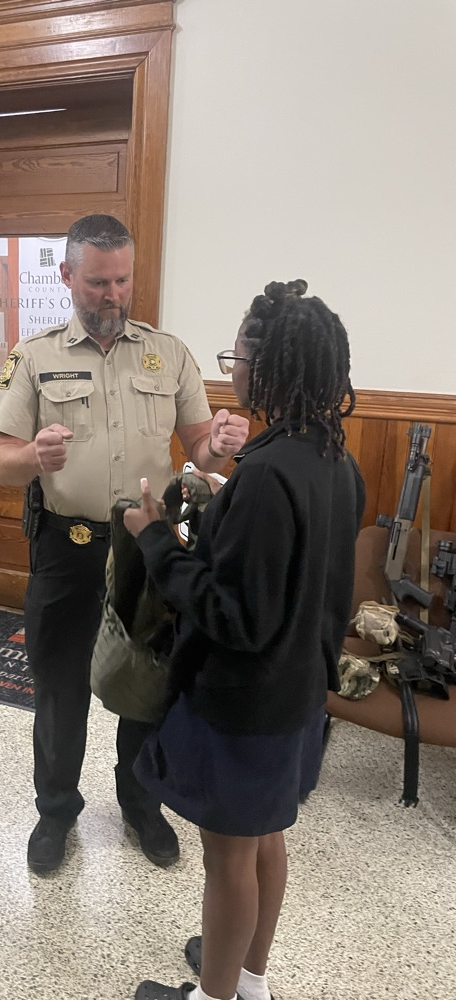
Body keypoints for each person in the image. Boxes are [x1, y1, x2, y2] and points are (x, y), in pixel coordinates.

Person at [123, 280, 366, 1000]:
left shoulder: (266, 476)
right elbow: (294, 578)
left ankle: (214, 995)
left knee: (228, 860)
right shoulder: (332, 460)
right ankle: (250, 980)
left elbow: (233, 616)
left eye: (241, 353)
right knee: (265, 839)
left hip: (241, 703)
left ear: (273, 365)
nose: (234, 368)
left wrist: (157, 540)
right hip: (297, 692)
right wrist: (221, 503)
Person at [0, 214, 249, 874]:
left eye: (123, 280)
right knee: (59, 689)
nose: (112, 294)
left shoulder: (170, 353)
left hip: (150, 546)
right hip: (66, 547)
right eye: (98, 281)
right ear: (68, 276)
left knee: (149, 684)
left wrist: (215, 444)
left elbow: (197, 445)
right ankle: (55, 812)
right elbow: (0, 460)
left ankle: (141, 804)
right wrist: (33, 457)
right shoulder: (31, 355)